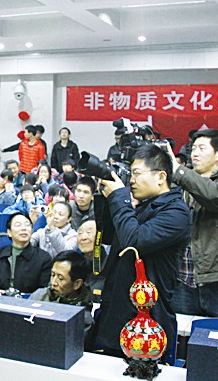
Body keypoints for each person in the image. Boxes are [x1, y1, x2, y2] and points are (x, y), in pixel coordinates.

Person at [88, 144, 191, 360]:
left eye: (136, 174)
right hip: (115, 311)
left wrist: (119, 197)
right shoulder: (143, 206)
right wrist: (108, 199)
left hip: (146, 324)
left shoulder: (176, 212)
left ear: (161, 177)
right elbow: (109, 237)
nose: (131, 181)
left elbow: (134, 241)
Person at [167, 128, 218, 319]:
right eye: (193, 148)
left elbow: (214, 194)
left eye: (202, 148)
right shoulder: (180, 183)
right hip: (182, 280)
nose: (194, 153)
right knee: (180, 341)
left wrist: (179, 170)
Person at [0, 213, 53, 293]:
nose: (23, 228)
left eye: (27, 225)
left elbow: (43, 290)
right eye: (18, 225)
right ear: (9, 232)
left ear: (32, 231)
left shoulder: (43, 258)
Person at [30, 250, 93, 332]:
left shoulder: (82, 318)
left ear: (77, 284)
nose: (53, 282)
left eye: (60, 278)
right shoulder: (39, 296)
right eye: (53, 275)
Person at [77, 219, 107, 300]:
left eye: (89, 233)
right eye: (80, 233)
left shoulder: (111, 263)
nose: (83, 237)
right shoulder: (74, 263)